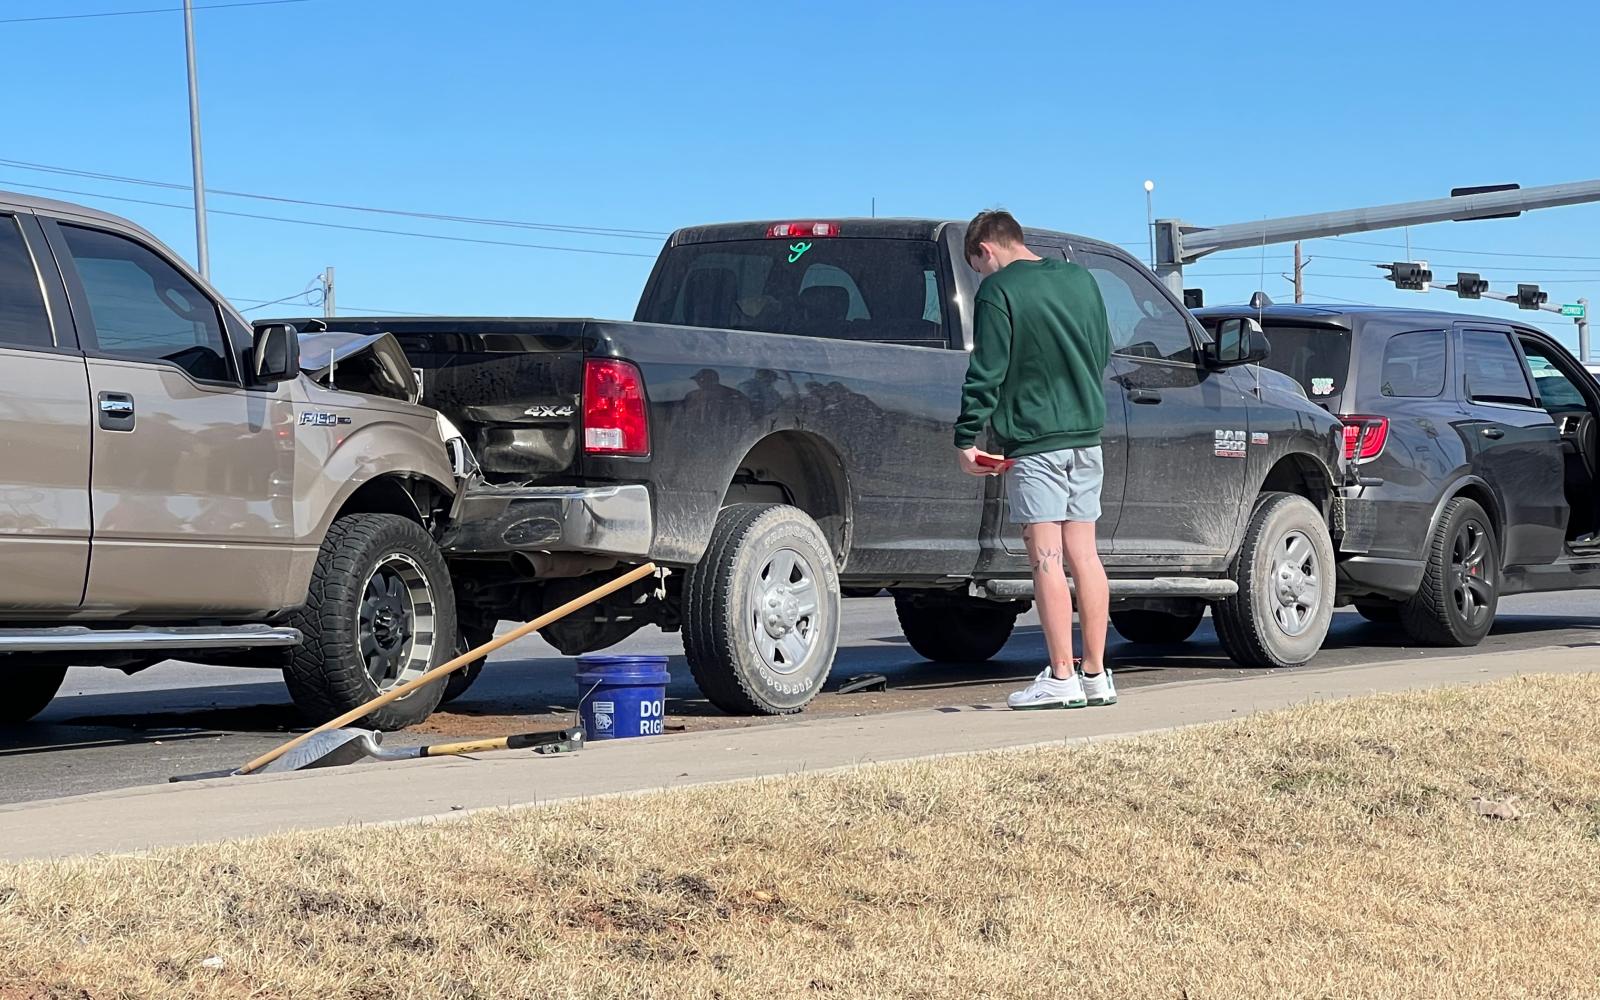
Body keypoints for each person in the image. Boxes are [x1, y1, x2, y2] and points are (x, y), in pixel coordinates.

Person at [952, 210, 1114, 711]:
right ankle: (1096, 674)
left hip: (1035, 440)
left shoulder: (998, 292)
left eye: (978, 266)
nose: (982, 274)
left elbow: (987, 369)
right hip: (1087, 435)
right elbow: (1102, 351)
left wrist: (966, 438)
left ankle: (1061, 677)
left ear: (986, 250)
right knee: (1084, 555)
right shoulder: (1082, 279)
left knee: (1044, 556)